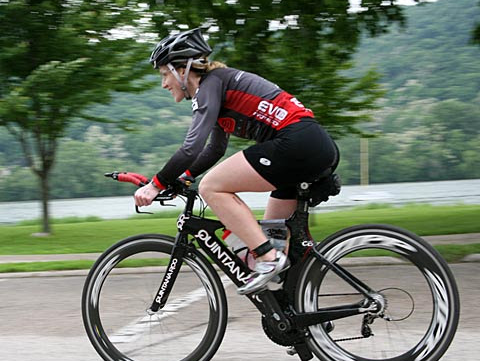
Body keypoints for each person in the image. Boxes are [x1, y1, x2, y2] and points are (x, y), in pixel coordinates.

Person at [134, 28, 338, 295]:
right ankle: (295, 309)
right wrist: (184, 177)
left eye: (164, 74)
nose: (163, 84)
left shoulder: (210, 85)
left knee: (212, 187)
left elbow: (192, 147)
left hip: (297, 143)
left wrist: (156, 184)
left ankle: (268, 259)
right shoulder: (219, 87)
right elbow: (215, 149)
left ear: (182, 70)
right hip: (308, 144)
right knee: (270, 240)